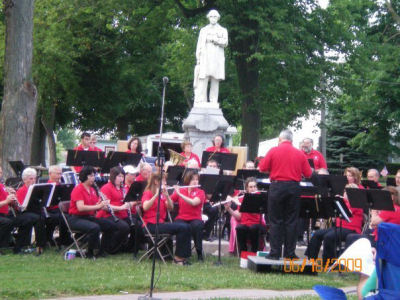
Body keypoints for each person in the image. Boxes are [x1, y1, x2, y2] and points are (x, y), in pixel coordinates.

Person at [258, 129, 312, 259]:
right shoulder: (300, 154)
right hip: (294, 187)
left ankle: (275, 253)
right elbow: (309, 174)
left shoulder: (273, 150)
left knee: (275, 220)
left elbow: (262, 168)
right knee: (291, 221)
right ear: (292, 141)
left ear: (279, 139)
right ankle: (290, 253)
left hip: (277, 187)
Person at [68, 166, 121, 258]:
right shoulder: (78, 189)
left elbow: (95, 205)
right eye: (92, 176)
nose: (94, 178)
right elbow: (80, 207)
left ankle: (102, 250)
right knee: (94, 227)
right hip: (76, 218)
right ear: (85, 176)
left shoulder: (92, 190)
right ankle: (90, 252)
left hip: (88, 217)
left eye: (94, 175)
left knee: (110, 225)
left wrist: (103, 203)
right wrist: (99, 206)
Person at [305, 183, 364, 264]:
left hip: (351, 229)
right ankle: (310, 259)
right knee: (317, 234)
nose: (345, 193)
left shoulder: (356, 203)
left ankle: (327, 263)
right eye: (345, 191)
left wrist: (342, 201)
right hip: (339, 227)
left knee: (329, 237)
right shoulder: (344, 202)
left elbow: (348, 212)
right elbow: (334, 217)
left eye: (347, 192)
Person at [141, 173, 192, 265]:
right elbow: (145, 207)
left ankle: (184, 257)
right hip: (150, 225)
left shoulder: (162, 194)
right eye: (164, 181)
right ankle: (178, 259)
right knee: (182, 228)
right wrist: (155, 195)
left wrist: (167, 196)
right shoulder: (148, 193)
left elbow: (170, 207)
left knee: (187, 226)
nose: (165, 183)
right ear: (156, 182)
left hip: (160, 223)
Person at [0, 167, 38, 254]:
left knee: (27, 219)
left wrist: (13, 199)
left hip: (6, 214)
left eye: (1, 172)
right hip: (2, 216)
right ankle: (4, 245)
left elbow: (9, 203)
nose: (0, 175)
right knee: (6, 222)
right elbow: (5, 201)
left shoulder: (2, 186)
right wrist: (6, 201)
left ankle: (19, 247)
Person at [194, 9, 228, 105]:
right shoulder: (203, 30)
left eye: (215, 16)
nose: (213, 18)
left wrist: (214, 39)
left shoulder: (223, 30)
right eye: (211, 16)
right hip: (205, 57)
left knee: (215, 79)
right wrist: (198, 58)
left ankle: (213, 100)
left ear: (218, 18)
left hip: (217, 58)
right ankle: (201, 99)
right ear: (208, 18)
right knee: (203, 78)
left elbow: (225, 42)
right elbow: (199, 45)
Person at [171, 170, 206, 261]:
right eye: (193, 179)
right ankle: (181, 254)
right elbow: (169, 202)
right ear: (187, 180)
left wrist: (179, 194)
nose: (195, 182)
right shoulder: (182, 190)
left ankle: (199, 253)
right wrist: (166, 194)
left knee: (197, 226)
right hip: (182, 218)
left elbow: (194, 203)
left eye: (197, 179)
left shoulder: (200, 192)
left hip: (195, 218)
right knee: (181, 226)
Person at [225, 177, 266, 254]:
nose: (253, 189)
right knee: (240, 228)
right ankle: (243, 254)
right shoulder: (242, 198)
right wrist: (229, 209)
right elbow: (239, 216)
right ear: (247, 188)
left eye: (254, 186)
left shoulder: (260, 197)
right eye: (251, 187)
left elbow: (256, 212)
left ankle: (254, 253)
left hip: (258, 224)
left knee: (253, 228)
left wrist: (247, 203)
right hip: (246, 224)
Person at [16, 167, 47, 255]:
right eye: (31, 178)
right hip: (23, 213)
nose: (33, 180)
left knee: (41, 217)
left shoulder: (36, 189)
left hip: (34, 212)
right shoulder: (21, 191)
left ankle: (41, 244)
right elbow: (21, 207)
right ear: (25, 180)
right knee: (37, 218)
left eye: (35, 178)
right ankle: (39, 245)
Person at [46, 165, 73, 247]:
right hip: (51, 210)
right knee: (63, 217)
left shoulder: (62, 185)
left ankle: (67, 238)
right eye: (57, 174)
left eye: (60, 174)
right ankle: (63, 240)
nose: (59, 176)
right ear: (50, 174)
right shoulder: (47, 186)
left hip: (61, 209)